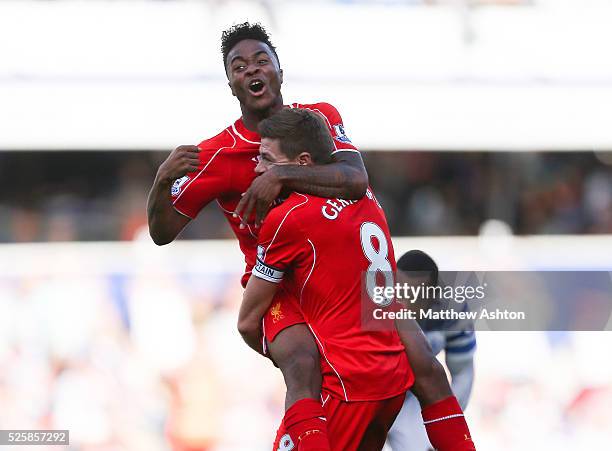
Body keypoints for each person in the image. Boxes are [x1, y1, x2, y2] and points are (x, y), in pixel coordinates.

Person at [147, 22, 368, 451]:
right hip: (277, 288)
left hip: (337, 277)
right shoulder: (216, 154)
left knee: (418, 363)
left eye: (262, 59)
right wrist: (161, 182)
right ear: (231, 84)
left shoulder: (320, 119)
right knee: (303, 363)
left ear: (280, 70)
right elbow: (161, 232)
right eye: (239, 65)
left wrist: (281, 174)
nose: (253, 69)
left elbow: (355, 179)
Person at [238, 108, 477, 450]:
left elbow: (247, 322)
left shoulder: (289, 217)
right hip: (392, 381)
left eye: (265, 158)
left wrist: (288, 349)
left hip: (347, 386)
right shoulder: (365, 196)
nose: (258, 168)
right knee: (429, 371)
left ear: (301, 163)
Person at [387, 250, 477, 451]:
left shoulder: (452, 311)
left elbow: (463, 373)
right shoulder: (370, 304)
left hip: (412, 401)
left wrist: (443, 421)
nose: (405, 303)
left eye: (415, 295)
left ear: (433, 295)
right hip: (367, 394)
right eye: (400, 291)